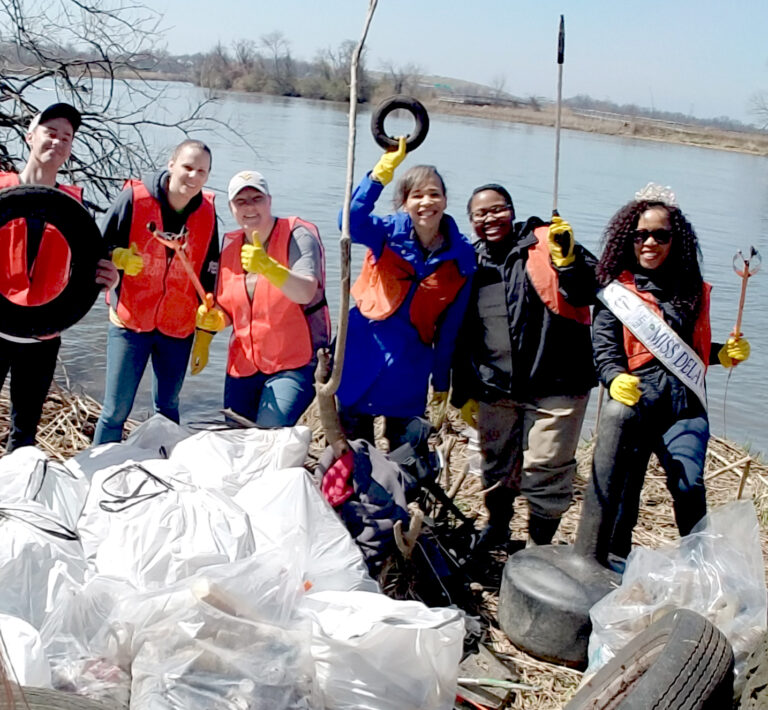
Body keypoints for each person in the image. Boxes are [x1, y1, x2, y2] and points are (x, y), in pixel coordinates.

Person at [586, 183, 751, 570]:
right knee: (624, 497)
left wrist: (722, 355)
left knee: (689, 485)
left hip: (684, 409)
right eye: (641, 235)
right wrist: (613, 379)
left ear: (675, 240)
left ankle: (698, 568)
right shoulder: (615, 295)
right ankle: (612, 566)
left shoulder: (692, 291)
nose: (650, 243)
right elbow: (605, 352)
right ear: (629, 239)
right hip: (634, 409)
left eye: (660, 235)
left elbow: (688, 353)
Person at [452, 184, 597, 548]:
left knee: (546, 469)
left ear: (512, 210)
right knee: (496, 466)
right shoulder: (470, 262)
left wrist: (569, 263)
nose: (490, 219)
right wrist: (463, 390)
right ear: (471, 221)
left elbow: (591, 289)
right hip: (495, 388)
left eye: (498, 210)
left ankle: (538, 549)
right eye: (481, 214)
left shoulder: (549, 244)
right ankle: (497, 528)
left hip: (556, 382)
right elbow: (461, 333)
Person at [335, 138, 476, 449]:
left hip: (409, 367)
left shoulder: (463, 255)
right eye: (417, 195)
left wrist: (442, 384)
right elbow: (348, 222)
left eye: (434, 194)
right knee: (355, 454)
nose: (427, 202)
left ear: (446, 200)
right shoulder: (385, 233)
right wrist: (380, 174)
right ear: (404, 202)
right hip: (360, 355)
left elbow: (450, 330)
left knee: (405, 460)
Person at [0, 103, 118, 452]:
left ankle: (13, 500)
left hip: (42, 336)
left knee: (24, 432)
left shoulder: (74, 209)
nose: (58, 141)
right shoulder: (1, 189)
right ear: (30, 136)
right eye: (51, 132)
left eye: (66, 137)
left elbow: (86, 271)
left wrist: (106, 277)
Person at [92, 139, 219, 444]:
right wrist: (117, 257)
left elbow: (211, 272)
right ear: (171, 164)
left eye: (202, 171)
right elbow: (95, 247)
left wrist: (206, 332)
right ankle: (99, 470)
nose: (193, 176)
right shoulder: (134, 199)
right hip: (131, 322)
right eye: (188, 167)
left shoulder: (208, 213)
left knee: (168, 407)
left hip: (178, 327)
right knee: (115, 412)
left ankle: (165, 467)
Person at [195, 170, 330, 426]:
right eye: (240, 201)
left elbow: (305, 291)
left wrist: (269, 267)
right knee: (234, 435)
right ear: (231, 208)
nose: (249, 207)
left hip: (294, 361)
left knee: (268, 434)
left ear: (269, 200)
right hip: (244, 363)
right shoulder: (230, 246)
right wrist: (213, 321)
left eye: (256, 198)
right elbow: (228, 307)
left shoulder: (297, 234)